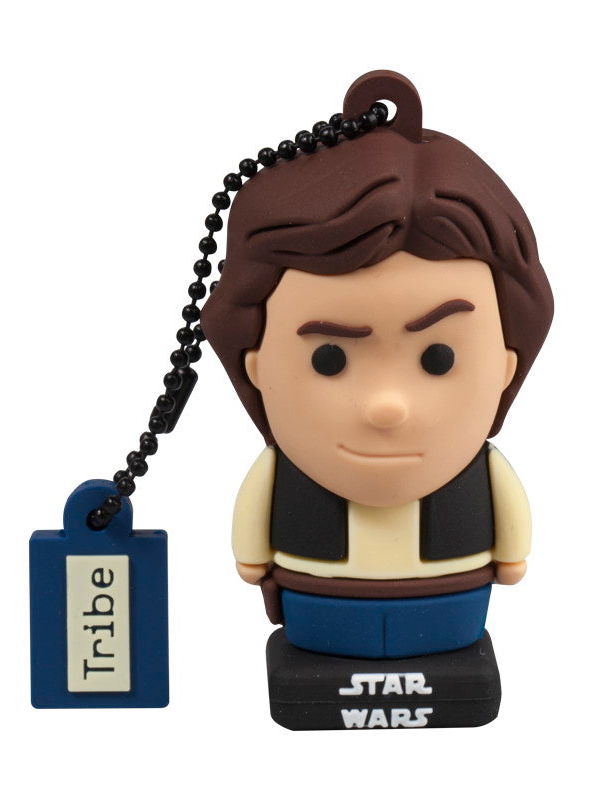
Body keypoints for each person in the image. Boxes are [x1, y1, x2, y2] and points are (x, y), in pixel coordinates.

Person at [201, 70, 553, 660]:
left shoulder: (482, 474)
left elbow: (513, 548)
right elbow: (250, 553)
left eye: (438, 358)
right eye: (330, 358)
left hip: (451, 606)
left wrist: (512, 556)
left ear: (505, 364)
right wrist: (254, 559)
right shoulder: (282, 475)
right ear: (254, 362)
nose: (386, 406)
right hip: (318, 608)